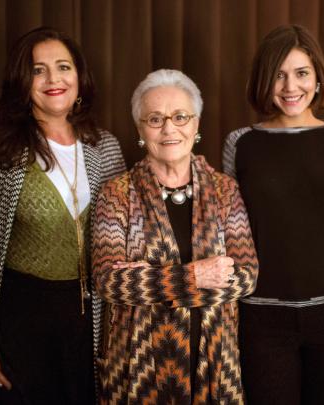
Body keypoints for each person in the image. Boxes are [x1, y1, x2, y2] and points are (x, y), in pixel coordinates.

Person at [0, 27, 126, 404]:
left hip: (88, 323)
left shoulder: (105, 147)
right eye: (38, 70)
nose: (53, 79)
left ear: (79, 76)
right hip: (17, 320)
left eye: (63, 67)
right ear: (21, 80)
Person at [222, 24, 324, 405]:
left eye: (301, 73)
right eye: (279, 75)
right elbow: (228, 238)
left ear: (318, 79)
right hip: (260, 318)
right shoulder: (240, 144)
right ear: (264, 80)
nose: (291, 87)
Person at [92, 68, 258, 404]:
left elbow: (246, 276)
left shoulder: (225, 191)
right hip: (137, 367)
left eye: (180, 116)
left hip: (215, 364)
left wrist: (147, 280)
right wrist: (194, 276)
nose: (169, 128)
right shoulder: (116, 194)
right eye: (155, 119)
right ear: (140, 129)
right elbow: (108, 281)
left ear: (196, 125)